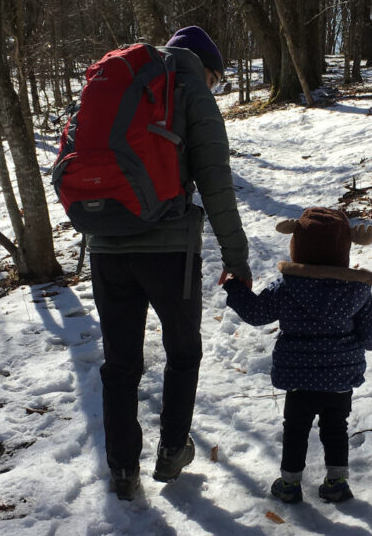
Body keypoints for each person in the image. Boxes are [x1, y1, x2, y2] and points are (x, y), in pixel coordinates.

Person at [89, 25, 252, 500]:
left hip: (107, 246)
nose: (215, 87)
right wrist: (236, 259)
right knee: (183, 352)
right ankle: (172, 451)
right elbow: (216, 185)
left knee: (120, 364)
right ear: (204, 67)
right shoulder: (192, 91)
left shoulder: (128, 85)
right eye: (217, 79)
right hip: (168, 249)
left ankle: (122, 470)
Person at [221, 206, 372, 504]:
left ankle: (290, 484)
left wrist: (234, 288)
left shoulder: (288, 285)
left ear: (298, 244)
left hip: (299, 377)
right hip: (339, 378)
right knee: (336, 428)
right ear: (344, 246)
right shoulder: (356, 291)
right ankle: (337, 482)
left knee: (295, 429)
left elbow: (257, 314)